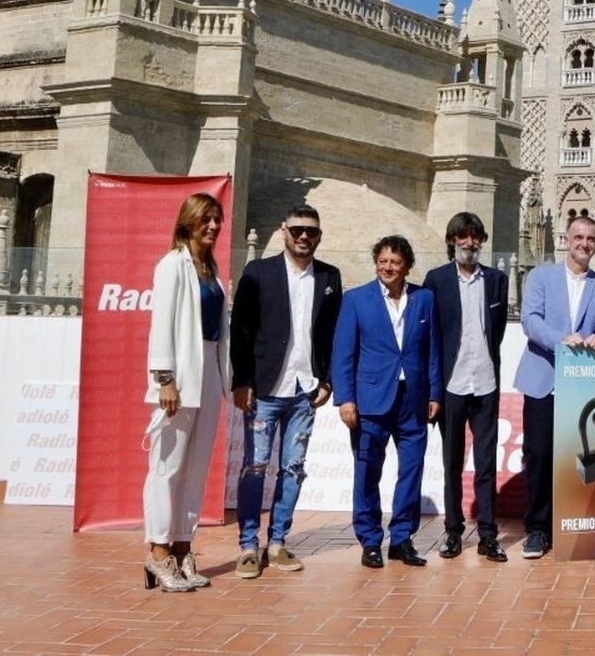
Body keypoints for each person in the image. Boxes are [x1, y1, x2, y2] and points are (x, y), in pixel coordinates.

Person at [229, 203, 342, 579]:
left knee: (293, 469)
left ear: (320, 235)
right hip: (263, 388)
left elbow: (331, 335)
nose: (304, 237)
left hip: (304, 390)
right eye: (297, 230)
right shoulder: (259, 272)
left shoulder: (330, 277)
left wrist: (327, 379)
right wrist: (242, 380)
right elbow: (241, 331)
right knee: (255, 467)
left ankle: (277, 542)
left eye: (311, 231)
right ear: (284, 231)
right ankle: (248, 545)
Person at [331, 235, 441, 570]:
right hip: (371, 401)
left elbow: (433, 350)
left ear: (406, 265)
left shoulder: (424, 299)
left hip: (413, 399)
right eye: (382, 261)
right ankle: (370, 539)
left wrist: (435, 392)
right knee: (367, 472)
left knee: (411, 471)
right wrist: (345, 399)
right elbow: (343, 354)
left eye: (394, 262)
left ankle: (403, 538)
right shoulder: (356, 300)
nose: (387, 267)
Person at [141, 192, 230, 592]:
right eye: (205, 219)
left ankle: (182, 548)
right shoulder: (172, 266)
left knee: (195, 470)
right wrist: (165, 379)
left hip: (209, 372)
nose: (212, 226)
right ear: (187, 222)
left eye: (217, 219)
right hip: (179, 375)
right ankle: (158, 553)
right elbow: (161, 325)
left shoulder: (210, 269)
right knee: (167, 468)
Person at [514, 214, 595, 560]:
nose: (584, 244)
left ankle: (570, 525)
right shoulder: (541, 277)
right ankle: (538, 530)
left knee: (578, 458)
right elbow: (530, 321)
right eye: (578, 237)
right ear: (566, 239)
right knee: (540, 456)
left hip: (580, 387)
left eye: (590, 239)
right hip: (543, 380)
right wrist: (563, 340)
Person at [423, 212, 509, 562]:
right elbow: (430, 336)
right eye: (464, 237)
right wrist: (433, 390)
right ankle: (454, 531)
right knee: (452, 462)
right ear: (452, 240)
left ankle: (488, 533)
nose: (470, 244)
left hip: (485, 382)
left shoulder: (497, 280)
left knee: (486, 463)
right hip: (452, 384)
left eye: (476, 238)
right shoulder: (436, 280)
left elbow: (498, 330)